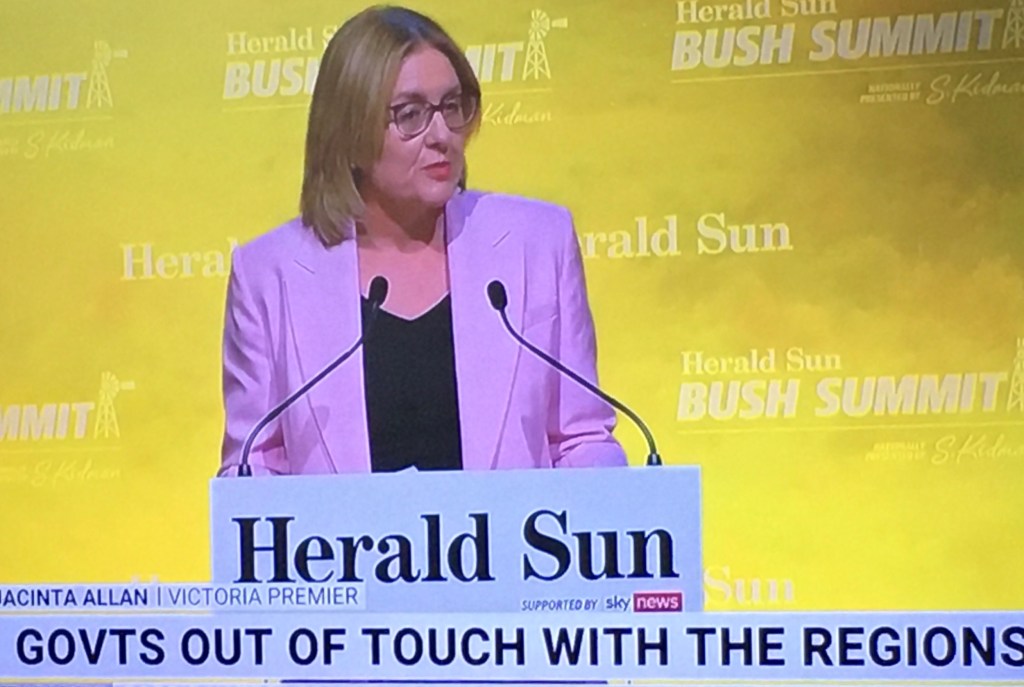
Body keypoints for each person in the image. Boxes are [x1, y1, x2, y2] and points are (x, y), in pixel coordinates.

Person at [219, 6, 626, 476]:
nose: (442, 135)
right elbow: (253, 468)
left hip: (515, 528)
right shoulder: (269, 274)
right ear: (350, 131)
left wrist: (614, 497)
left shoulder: (538, 243)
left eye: (452, 106)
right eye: (409, 114)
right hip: (351, 529)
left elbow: (582, 438)